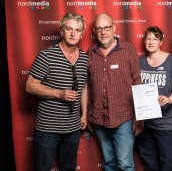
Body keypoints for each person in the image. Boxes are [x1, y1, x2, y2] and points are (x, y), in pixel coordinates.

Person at [26, 13, 88, 171]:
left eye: (77, 30)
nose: (73, 33)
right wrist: (59, 94)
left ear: (82, 33)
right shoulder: (46, 56)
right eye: (69, 29)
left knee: (68, 168)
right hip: (48, 128)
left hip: (73, 129)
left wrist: (84, 114)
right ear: (62, 31)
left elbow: (85, 87)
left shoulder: (85, 59)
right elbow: (30, 86)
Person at [85, 12, 143, 171]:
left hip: (123, 117)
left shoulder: (127, 49)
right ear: (95, 31)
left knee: (125, 165)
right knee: (109, 163)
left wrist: (140, 117)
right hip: (99, 117)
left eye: (106, 28)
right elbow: (87, 85)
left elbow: (138, 82)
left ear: (114, 28)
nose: (103, 32)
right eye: (99, 29)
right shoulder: (90, 52)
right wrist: (88, 112)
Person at [136, 26, 172, 171]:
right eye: (148, 38)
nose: (151, 42)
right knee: (149, 162)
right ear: (144, 41)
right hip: (146, 124)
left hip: (166, 123)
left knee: (168, 162)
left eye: (155, 39)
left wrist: (169, 99)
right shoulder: (140, 62)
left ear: (161, 41)